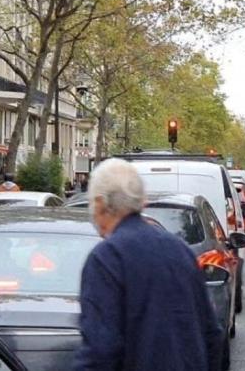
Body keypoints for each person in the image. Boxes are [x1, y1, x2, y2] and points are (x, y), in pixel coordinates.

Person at [74, 158, 222, 371]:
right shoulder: (180, 250)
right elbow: (211, 334)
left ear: (99, 204)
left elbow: (101, 350)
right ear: (141, 202)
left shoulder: (107, 258)